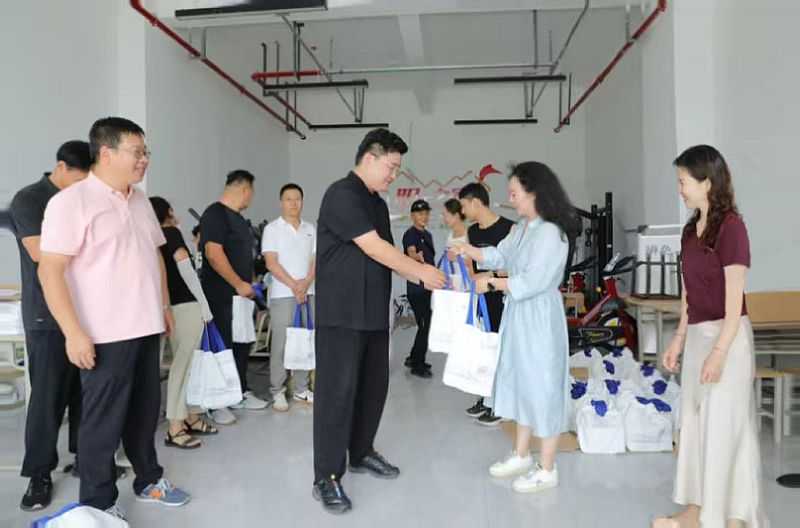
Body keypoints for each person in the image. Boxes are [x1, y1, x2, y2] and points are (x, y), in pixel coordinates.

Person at [38, 117, 190, 520]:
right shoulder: (71, 203)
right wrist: (73, 332)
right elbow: (50, 271)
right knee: (102, 422)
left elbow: (154, 255)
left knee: (144, 414)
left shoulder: (140, 201)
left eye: (145, 152)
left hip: (146, 327)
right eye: (136, 152)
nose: (144, 159)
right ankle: (99, 501)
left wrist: (163, 306)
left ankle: (148, 480)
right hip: (104, 333)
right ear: (106, 153)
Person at [312, 128, 446, 514]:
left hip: (373, 314)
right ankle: (326, 476)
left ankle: (361, 452)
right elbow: (374, 247)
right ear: (369, 158)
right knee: (337, 396)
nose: (393, 175)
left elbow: (387, 252)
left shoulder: (376, 203)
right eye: (391, 166)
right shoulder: (341, 194)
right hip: (342, 316)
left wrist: (425, 272)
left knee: (373, 389)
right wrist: (421, 274)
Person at [653, 146, 767, 528]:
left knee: (725, 426)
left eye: (683, 181)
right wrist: (678, 338)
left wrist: (719, 352)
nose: (679, 189)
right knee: (695, 422)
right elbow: (689, 293)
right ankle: (696, 510)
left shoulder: (731, 228)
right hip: (700, 335)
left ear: (706, 181)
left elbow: (734, 307)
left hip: (729, 339)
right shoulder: (690, 231)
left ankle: (733, 515)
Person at [449, 161, 577, 494]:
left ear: (535, 193)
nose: (510, 200)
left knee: (543, 385)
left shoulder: (551, 232)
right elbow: (498, 255)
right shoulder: (522, 228)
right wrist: (467, 248)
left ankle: (547, 467)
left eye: (515, 193)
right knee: (520, 381)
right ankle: (521, 454)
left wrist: (492, 283)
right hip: (519, 313)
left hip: (540, 315)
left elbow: (534, 280)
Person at [11, 140, 91, 511]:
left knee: (85, 394)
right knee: (47, 398)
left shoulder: (84, 199)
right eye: (78, 179)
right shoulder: (30, 199)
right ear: (60, 167)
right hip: (46, 316)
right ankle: (39, 475)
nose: (82, 187)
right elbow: (39, 253)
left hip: (87, 312)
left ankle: (85, 459)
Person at [199, 170, 269, 426]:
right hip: (221, 295)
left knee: (242, 344)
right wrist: (238, 283)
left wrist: (249, 283)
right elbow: (213, 253)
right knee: (222, 347)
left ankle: (239, 392)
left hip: (242, 297)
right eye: (251, 192)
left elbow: (244, 256)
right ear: (245, 189)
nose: (250, 197)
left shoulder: (239, 220)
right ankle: (216, 403)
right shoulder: (214, 214)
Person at [150, 197, 218, 449]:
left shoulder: (150, 238)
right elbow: (187, 273)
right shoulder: (171, 233)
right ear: (169, 212)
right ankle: (175, 426)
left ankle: (189, 416)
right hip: (185, 307)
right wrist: (205, 306)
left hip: (162, 308)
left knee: (183, 366)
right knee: (184, 366)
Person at [456, 182, 515, 426]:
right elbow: (472, 270)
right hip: (482, 300)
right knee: (485, 350)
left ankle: (502, 404)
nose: (462, 212)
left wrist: (490, 276)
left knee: (503, 351)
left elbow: (515, 269)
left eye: (464, 206)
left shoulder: (509, 228)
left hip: (505, 298)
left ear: (476, 202)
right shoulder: (472, 233)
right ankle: (488, 398)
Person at [261, 183, 316, 411]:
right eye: (289, 199)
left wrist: (306, 283)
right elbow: (271, 263)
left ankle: (301, 389)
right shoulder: (272, 229)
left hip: (308, 293)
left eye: (297, 199)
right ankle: (278, 391)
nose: (294, 203)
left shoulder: (310, 228)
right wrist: (295, 285)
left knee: (304, 341)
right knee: (282, 344)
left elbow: (314, 260)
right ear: (281, 202)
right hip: (284, 294)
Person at [402, 199, 435, 378]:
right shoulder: (410, 234)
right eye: (420, 214)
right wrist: (416, 257)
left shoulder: (427, 235)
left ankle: (413, 357)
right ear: (412, 215)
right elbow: (411, 252)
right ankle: (417, 365)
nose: (424, 217)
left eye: (426, 213)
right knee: (425, 324)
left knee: (425, 324)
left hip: (428, 287)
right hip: (416, 288)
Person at [442, 198, 471, 289]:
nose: (444, 219)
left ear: (456, 215)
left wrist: (456, 258)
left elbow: (474, 263)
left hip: (466, 283)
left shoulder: (468, 235)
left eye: (445, 215)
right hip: (452, 284)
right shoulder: (449, 236)